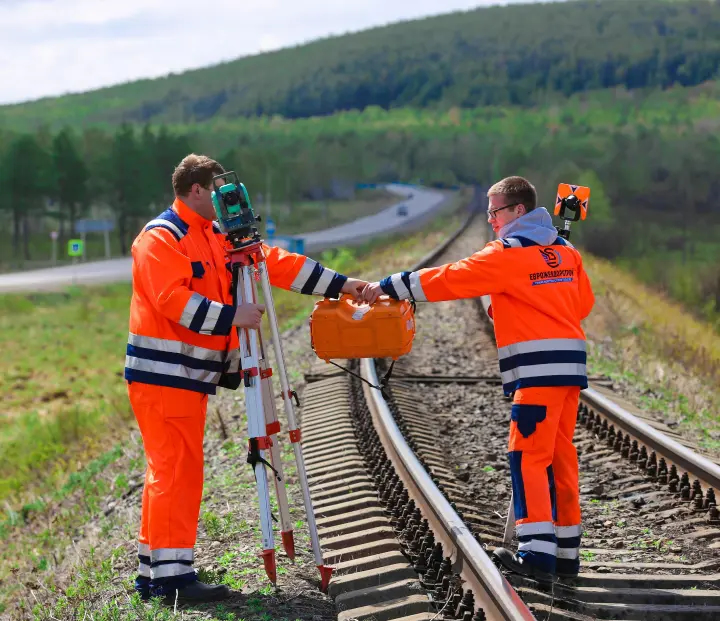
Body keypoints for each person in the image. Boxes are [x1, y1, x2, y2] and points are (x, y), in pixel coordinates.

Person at [125, 154, 367, 603]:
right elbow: (170, 300)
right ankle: (172, 580)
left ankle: (155, 572)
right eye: (217, 190)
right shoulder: (162, 237)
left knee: (176, 470)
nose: (225, 200)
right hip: (163, 377)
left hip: (187, 378)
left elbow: (276, 264)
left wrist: (342, 284)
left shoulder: (214, 236)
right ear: (196, 189)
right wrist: (233, 316)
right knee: (175, 471)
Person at [361, 176, 594, 581]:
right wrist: (521, 305)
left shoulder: (507, 253)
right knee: (559, 457)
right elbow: (583, 304)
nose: (490, 219)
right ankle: (566, 554)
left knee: (527, 458)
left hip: (536, 371)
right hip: (570, 368)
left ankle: (537, 556)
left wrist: (388, 286)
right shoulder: (565, 250)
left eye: (495, 211)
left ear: (517, 211)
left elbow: (450, 278)